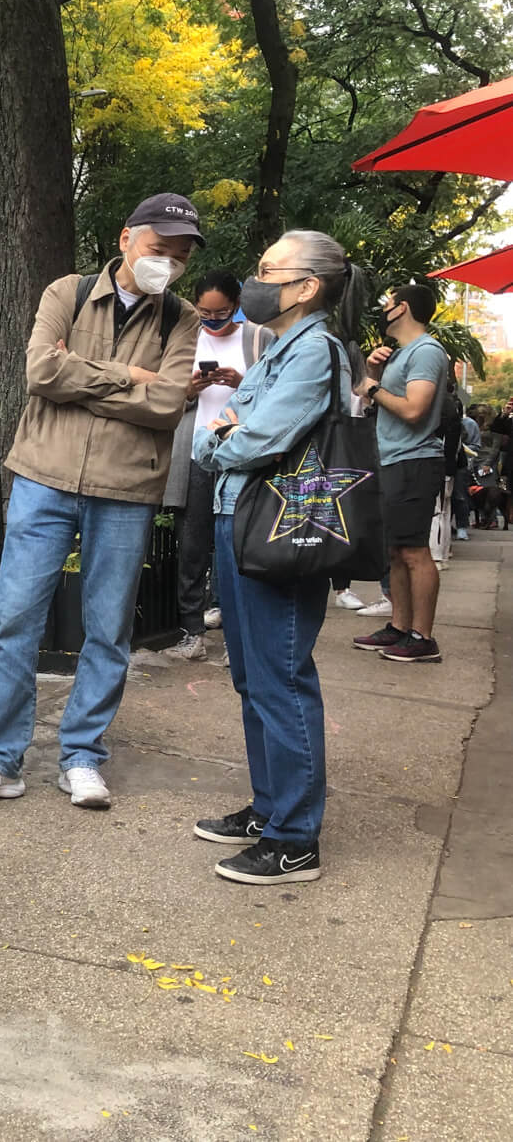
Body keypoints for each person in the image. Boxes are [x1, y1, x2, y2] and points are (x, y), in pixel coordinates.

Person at [0, 193, 202, 810]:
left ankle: (82, 756)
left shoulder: (182, 320)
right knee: (13, 621)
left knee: (109, 631)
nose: (169, 264)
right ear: (126, 239)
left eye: (181, 257)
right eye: (160, 250)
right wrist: (131, 378)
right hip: (43, 477)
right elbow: (39, 374)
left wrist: (87, 376)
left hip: (126, 489)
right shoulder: (69, 292)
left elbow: (167, 406)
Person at [192, 230, 361, 885]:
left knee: (281, 677)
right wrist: (227, 431)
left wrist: (219, 439)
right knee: (254, 678)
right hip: (245, 521)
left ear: (307, 286)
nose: (256, 281)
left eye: (269, 270)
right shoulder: (283, 347)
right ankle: (270, 810)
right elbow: (232, 420)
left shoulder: (313, 349)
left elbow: (251, 435)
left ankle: (295, 841)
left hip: (277, 528)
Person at [164, 271, 272, 661]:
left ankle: (237, 638)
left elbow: (276, 397)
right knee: (191, 547)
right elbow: (164, 398)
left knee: (236, 549)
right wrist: (188, 391)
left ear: (237, 306)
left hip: (240, 459)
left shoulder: (259, 338)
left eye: (222, 312)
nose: (212, 319)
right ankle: (191, 632)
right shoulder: (183, 338)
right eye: (205, 312)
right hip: (194, 454)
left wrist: (243, 383)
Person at [350, 284, 451, 664]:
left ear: (402, 308)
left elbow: (414, 410)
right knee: (395, 551)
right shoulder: (403, 354)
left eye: (387, 304)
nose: (383, 309)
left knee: (413, 551)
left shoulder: (426, 351)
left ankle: (423, 638)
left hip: (414, 461)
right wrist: (375, 371)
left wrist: (373, 386)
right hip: (393, 460)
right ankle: (399, 626)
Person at [452, 401, 480, 541]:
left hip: (459, 463)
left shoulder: (465, 424)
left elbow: (474, 445)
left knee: (460, 495)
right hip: (445, 462)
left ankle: (462, 526)